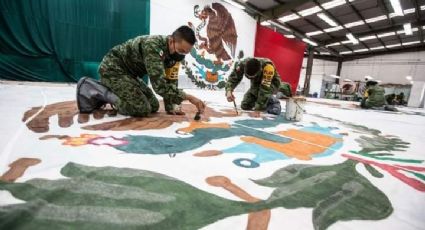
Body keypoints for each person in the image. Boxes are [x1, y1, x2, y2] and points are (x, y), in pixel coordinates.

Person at [95, 25, 205, 117]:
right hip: (112, 70)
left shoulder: (175, 55)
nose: (181, 55)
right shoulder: (153, 47)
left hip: (130, 75)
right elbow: (160, 87)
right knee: (141, 109)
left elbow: (170, 80)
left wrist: (170, 107)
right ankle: (104, 93)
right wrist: (190, 98)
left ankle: (118, 90)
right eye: (181, 50)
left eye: (185, 53)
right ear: (171, 40)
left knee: (153, 106)